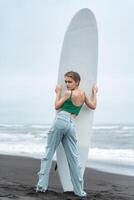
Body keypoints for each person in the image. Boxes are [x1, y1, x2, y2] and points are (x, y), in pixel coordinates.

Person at [36, 71, 98, 197]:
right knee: (74, 158)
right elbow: (93, 106)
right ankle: (79, 191)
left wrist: (58, 92)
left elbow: (56, 106)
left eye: (69, 81)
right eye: (66, 82)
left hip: (61, 120)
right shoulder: (84, 94)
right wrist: (95, 93)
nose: (67, 84)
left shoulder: (67, 93)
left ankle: (41, 186)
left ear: (77, 82)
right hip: (71, 124)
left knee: (48, 154)